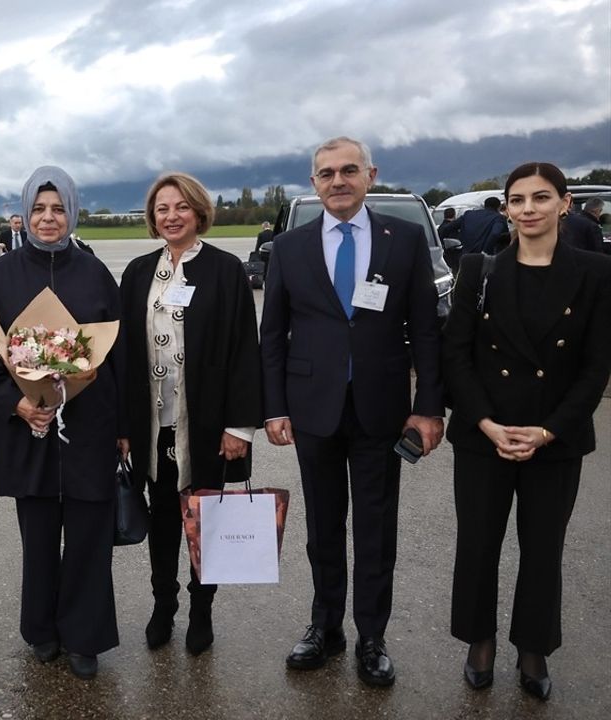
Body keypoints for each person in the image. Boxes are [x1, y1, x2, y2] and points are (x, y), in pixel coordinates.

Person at [261, 136, 444, 687]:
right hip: (312, 408)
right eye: (325, 174)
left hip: (380, 409)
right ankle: (325, 626)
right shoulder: (289, 248)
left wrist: (428, 406)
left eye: (348, 171)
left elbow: (426, 332)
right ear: (312, 183)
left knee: (375, 527)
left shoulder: (405, 240)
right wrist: (274, 407)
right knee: (322, 526)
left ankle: (372, 636)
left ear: (370, 175)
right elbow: (271, 336)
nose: (337, 182)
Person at [442, 162, 611, 701]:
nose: (528, 209)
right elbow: (457, 356)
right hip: (484, 435)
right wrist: (488, 424)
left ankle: (534, 645)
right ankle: (480, 639)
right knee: (478, 543)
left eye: (541, 198)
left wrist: (547, 431)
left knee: (543, 548)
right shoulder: (479, 270)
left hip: (554, 438)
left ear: (565, 203)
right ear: (507, 209)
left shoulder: (596, 272)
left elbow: (595, 365)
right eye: (517, 200)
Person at [0, 166, 126, 680]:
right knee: (37, 539)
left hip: (90, 427)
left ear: (73, 212)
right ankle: (41, 628)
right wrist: (17, 402)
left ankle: (85, 636)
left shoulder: (96, 273)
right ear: (24, 213)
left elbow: (117, 356)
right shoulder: (0, 275)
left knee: (88, 538)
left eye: (58, 209)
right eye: (39, 208)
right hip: (27, 429)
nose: (48, 218)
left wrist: (120, 423)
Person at [120, 172, 262, 654]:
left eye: (181, 207)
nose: (171, 216)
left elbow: (246, 349)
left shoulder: (225, 269)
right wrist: (124, 428)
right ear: (151, 217)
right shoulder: (138, 272)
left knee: (206, 524)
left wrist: (240, 426)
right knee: (161, 524)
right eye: (162, 209)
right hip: (153, 427)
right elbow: (122, 357)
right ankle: (165, 606)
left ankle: (203, 612)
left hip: (206, 426)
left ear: (198, 211)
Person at [443, 196, 509, 254]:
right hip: (487, 259)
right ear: (499, 207)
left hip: (466, 257)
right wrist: (486, 251)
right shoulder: (498, 218)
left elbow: (447, 228)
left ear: (485, 206)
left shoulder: (468, 215)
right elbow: (495, 233)